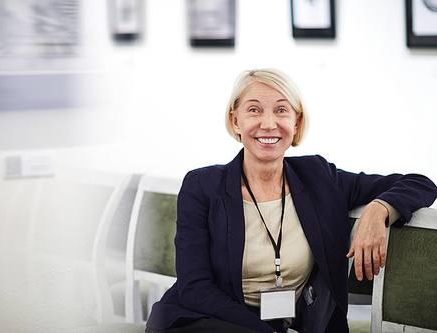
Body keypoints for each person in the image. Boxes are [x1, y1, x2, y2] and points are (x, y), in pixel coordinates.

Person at [145, 68, 437, 333]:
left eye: (281, 110)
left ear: (296, 122)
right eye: (254, 110)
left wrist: (378, 209)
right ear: (236, 121)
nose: (269, 124)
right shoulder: (202, 185)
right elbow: (195, 289)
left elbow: (420, 183)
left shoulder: (319, 176)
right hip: (205, 322)